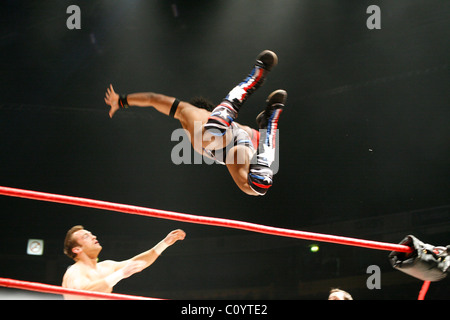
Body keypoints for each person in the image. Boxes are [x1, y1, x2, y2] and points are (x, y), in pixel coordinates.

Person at [104, 50, 287, 196]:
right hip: (234, 143)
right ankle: (268, 122)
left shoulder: (187, 111)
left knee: (211, 135)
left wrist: (122, 100)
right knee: (257, 186)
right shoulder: (234, 129)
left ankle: (252, 82)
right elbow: (256, 139)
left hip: (223, 136)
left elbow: (153, 99)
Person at [61, 225, 185, 299]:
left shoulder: (106, 266)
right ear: (77, 249)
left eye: (91, 234)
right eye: (86, 236)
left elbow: (137, 262)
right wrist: (120, 274)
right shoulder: (75, 271)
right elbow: (84, 295)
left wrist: (164, 243)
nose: (93, 237)